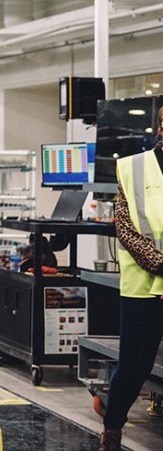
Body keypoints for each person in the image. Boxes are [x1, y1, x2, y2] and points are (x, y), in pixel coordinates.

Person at [95, 108, 163, 451]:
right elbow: (125, 226)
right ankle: (112, 428)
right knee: (135, 366)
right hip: (144, 288)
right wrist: (159, 263)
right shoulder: (134, 167)